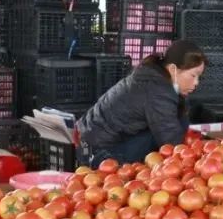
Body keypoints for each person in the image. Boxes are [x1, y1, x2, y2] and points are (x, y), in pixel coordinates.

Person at [76, 40, 207, 168]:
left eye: (199, 77)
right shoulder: (158, 91)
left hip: (89, 142)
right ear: (173, 69)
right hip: (100, 154)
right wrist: (202, 157)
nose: (196, 83)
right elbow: (172, 142)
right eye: (193, 75)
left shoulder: (153, 76)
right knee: (170, 133)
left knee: (178, 119)